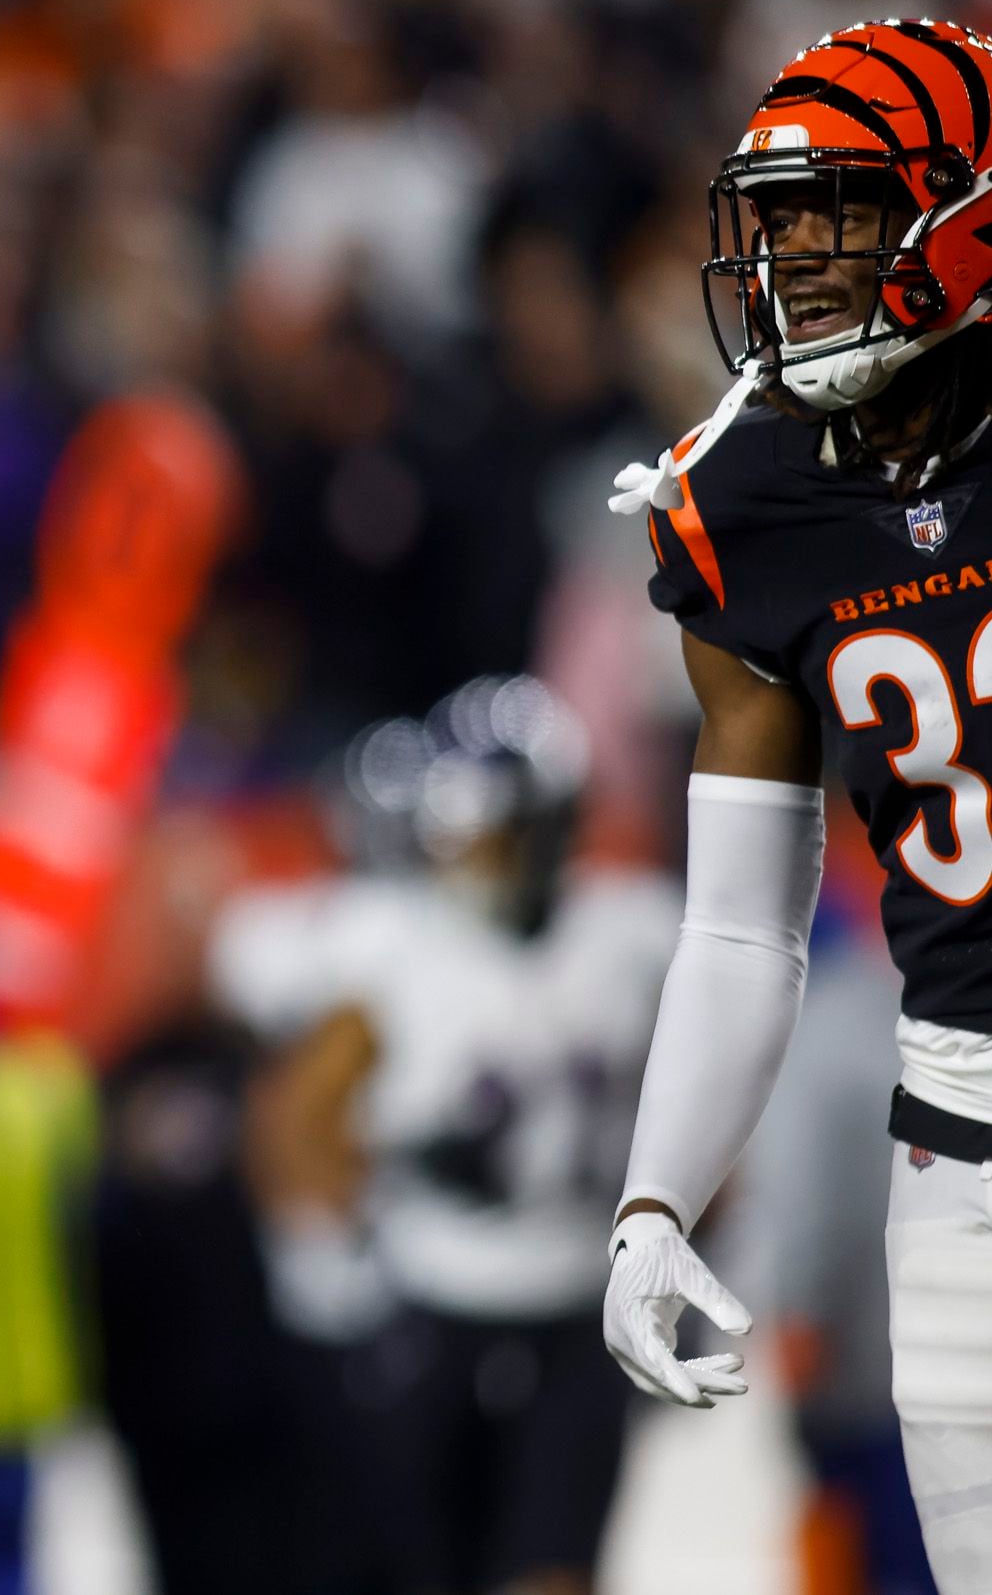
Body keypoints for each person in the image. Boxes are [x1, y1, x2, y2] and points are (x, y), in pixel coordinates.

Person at [599, 16, 992, 1586]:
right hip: (965, 1136)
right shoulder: (742, 500)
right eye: (775, 220)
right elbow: (742, 924)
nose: (797, 258)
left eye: (841, 209)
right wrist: (654, 1193)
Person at [215, 677, 675, 1595]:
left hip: (578, 1308)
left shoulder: (633, 937)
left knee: (557, 1573)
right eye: (462, 839)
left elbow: (702, 1118)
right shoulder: (397, 945)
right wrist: (327, 1264)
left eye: (495, 838)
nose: (473, 862)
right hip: (436, 1300)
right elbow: (292, 1117)